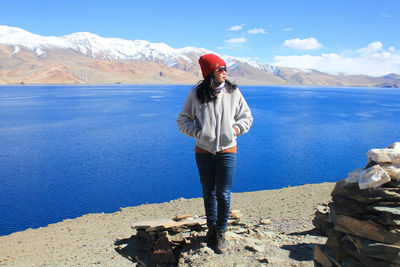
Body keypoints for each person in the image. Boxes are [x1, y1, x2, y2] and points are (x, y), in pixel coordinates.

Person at [177, 54, 253, 253]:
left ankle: (221, 232)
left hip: (228, 150)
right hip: (203, 151)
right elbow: (182, 120)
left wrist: (234, 130)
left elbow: (247, 117)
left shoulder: (233, 92)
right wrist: (198, 133)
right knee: (208, 191)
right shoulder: (196, 95)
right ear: (210, 72)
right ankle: (211, 229)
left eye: (225, 68)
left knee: (224, 193)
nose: (225, 72)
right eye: (220, 68)